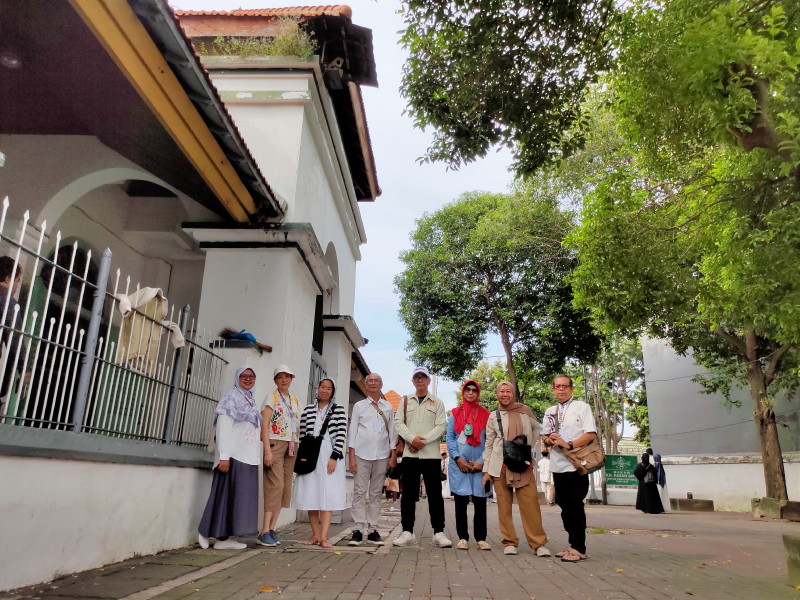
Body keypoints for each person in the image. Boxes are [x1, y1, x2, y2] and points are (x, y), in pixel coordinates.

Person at [482, 381, 550, 557]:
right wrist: (486, 471)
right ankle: (509, 542)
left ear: (513, 394)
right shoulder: (493, 415)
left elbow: (537, 429)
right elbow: (488, 443)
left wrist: (528, 445)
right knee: (503, 507)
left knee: (530, 504)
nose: (505, 394)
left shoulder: (525, 411)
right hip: (500, 465)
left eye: (508, 391)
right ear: (497, 394)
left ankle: (538, 543)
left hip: (522, 465)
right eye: (502, 391)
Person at [198, 366, 261, 550]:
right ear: (237, 378)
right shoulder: (231, 398)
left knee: (236, 500)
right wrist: (224, 456)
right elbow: (223, 428)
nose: (248, 379)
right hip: (233, 457)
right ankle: (204, 531)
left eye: (251, 376)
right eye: (244, 376)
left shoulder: (248, 399)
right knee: (222, 496)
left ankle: (223, 539)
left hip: (247, 457)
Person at [392, 366, 451, 548]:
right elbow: (398, 423)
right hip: (410, 455)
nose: (420, 380)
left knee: (434, 495)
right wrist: (411, 439)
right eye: (416, 377)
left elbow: (441, 425)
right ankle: (407, 532)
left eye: (423, 377)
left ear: (428, 380)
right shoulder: (404, 401)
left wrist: (422, 441)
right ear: (412, 381)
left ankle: (438, 532)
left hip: (431, 455)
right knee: (408, 495)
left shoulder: (437, 403)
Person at [541, 374, 598, 563]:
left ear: (572, 388)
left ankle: (579, 548)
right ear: (552, 389)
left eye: (565, 386)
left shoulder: (582, 407)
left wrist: (569, 444)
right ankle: (572, 545)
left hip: (576, 464)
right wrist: (550, 440)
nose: (561, 389)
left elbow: (590, 434)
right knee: (564, 506)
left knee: (575, 505)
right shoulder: (550, 411)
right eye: (557, 386)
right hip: (557, 465)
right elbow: (545, 437)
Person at [293, 378, 348, 548]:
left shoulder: (338, 410)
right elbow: (302, 435)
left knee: (326, 494)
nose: (324, 390)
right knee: (312, 494)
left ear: (332, 391)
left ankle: (324, 537)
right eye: (322, 387)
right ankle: (315, 535)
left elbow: (341, 434)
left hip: (328, 454)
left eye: (328, 388)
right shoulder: (309, 409)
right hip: (311, 455)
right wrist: (301, 457)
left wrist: (334, 456)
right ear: (317, 389)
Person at [347, 372, 398, 546]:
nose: (373, 383)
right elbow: (352, 432)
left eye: (376, 380)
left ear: (381, 384)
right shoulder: (360, 406)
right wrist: (351, 457)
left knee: (376, 493)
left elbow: (392, 432)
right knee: (360, 491)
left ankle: (373, 529)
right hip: (361, 454)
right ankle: (357, 529)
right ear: (366, 385)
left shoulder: (388, 407)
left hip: (382, 455)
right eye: (370, 381)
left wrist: (393, 455)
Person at [258, 365, 300, 547]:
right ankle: (264, 530)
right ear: (275, 380)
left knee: (285, 489)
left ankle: (272, 528)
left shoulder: (294, 400)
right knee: (275, 486)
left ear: (291, 378)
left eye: (287, 376)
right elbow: (265, 425)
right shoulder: (271, 397)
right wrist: (267, 450)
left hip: (292, 444)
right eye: (280, 377)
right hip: (275, 443)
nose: (284, 380)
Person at [447, 380, 491, 550]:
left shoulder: (486, 415)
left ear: (478, 393)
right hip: (460, 465)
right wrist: (458, 458)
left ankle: (481, 538)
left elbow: (490, 440)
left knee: (481, 502)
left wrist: (481, 462)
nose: (471, 393)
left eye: (474, 390)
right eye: (468, 390)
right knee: (460, 501)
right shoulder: (455, 413)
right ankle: (462, 538)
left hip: (479, 465)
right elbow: (450, 438)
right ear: (463, 392)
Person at [0, 256, 26, 401]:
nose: (16, 288)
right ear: (8, 278)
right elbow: (14, 340)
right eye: (16, 281)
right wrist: (24, 370)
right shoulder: (8, 302)